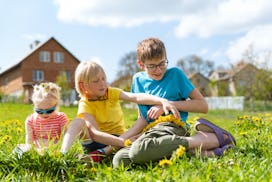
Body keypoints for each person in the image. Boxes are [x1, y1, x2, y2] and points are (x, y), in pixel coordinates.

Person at [112, 37, 236, 167]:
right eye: (152, 66)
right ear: (141, 64)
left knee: (138, 152)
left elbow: (202, 105)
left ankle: (206, 140)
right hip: (150, 131)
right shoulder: (137, 80)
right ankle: (203, 151)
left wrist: (168, 105)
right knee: (120, 160)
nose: (159, 70)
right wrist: (123, 139)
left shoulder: (175, 75)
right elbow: (142, 118)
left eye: (162, 63)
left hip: (172, 126)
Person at [60, 61, 180, 162]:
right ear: (83, 86)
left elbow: (136, 97)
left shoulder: (111, 92)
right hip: (98, 141)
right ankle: (64, 153)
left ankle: (103, 153)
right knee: (77, 122)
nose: (102, 83)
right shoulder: (84, 103)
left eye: (103, 79)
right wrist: (122, 142)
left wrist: (161, 100)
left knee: (142, 131)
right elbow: (95, 134)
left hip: (119, 136)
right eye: (96, 81)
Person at [13, 82, 69, 157]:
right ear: (34, 106)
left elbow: (65, 137)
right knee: (19, 148)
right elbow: (29, 141)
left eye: (49, 111)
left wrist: (58, 148)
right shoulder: (31, 120)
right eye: (39, 111)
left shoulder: (61, 118)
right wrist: (30, 148)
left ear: (56, 105)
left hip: (55, 149)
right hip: (37, 149)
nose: (44, 114)